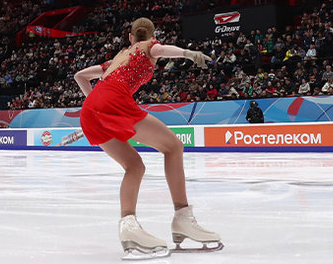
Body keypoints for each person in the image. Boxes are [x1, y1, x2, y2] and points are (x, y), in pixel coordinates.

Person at [74, 18, 222, 258]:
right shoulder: (147, 46)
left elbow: (80, 76)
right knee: (173, 146)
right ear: (152, 36)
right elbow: (160, 50)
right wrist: (188, 54)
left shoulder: (117, 58)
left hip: (90, 110)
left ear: (130, 37)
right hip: (113, 102)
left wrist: (95, 102)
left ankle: (128, 228)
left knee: (134, 166)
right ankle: (182, 218)